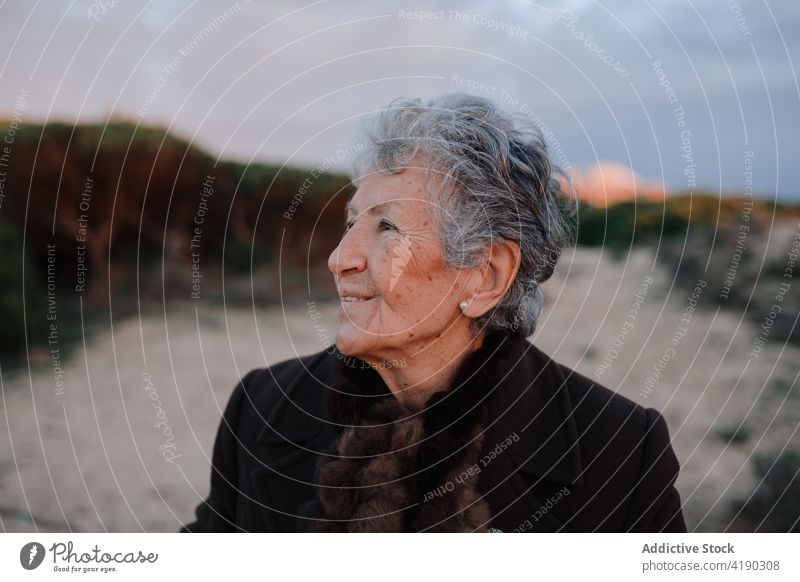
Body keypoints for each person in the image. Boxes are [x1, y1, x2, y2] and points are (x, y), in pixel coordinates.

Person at [181, 93, 687, 533]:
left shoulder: (619, 450)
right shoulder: (263, 406)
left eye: (387, 229)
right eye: (352, 222)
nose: (340, 258)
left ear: (485, 276)